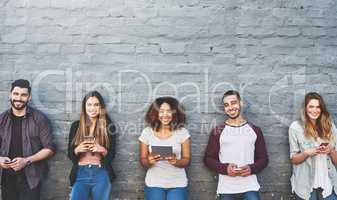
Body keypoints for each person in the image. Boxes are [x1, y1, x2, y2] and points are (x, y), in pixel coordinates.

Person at [204, 90, 268, 200]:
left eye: (233, 103)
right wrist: (225, 168)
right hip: (226, 188)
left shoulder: (255, 130)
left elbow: (263, 159)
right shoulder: (218, 131)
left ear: (241, 103)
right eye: (226, 105)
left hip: (250, 186)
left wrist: (251, 169)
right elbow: (208, 159)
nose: (230, 107)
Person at [0, 79, 55, 200]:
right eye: (16, 94)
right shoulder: (2, 119)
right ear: (10, 95)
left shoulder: (39, 119)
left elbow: (49, 148)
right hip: (7, 179)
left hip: (31, 178)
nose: (19, 98)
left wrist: (26, 161)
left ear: (29, 97)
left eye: (23, 95)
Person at [139, 96, 191, 200]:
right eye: (161, 111)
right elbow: (143, 160)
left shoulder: (182, 132)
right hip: (154, 182)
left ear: (174, 113)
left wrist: (175, 161)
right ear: (155, 113)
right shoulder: (147, 132)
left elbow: (187, 160)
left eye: (169, 111)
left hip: (177, 183)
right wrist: (149, 161)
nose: (165, 115)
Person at [68, 91, 117, 200]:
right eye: (89, 104)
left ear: (101, 107)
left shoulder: (109, 127)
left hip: (101, 171)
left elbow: (112, 155)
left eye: (96, 105)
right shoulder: (76, 126)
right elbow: (70, 154)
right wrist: (77, 150)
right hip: (80, 171)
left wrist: (102, 150)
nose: (92, 108)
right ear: (84, 107)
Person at [289, 92, 337, 200]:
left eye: (318, 107)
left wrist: (331, 150)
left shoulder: (330, 127)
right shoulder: (295, 128)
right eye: (311, 106)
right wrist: (307, 153)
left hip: (328, 183)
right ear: (305, 108)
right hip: (305, 185)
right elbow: (293, 159)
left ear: (322, 109)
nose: (314, 110)